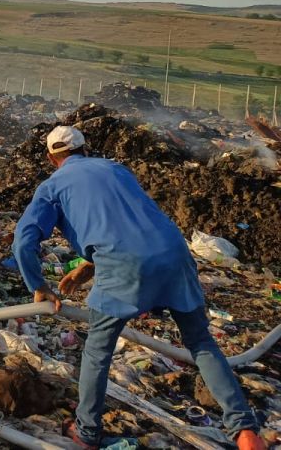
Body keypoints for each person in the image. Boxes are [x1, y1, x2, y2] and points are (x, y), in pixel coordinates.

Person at [14, 125, 264, 450]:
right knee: (201, 342)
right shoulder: (116, 169)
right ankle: (246, 432)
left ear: (51, 159)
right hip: (175, 252)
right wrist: (88, 267)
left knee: (98, 351)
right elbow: (131, 223)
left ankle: (86, 433)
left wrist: (38, 285)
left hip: (122, 266)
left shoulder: (52, 186)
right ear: (86, 149)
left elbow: (24, 242)